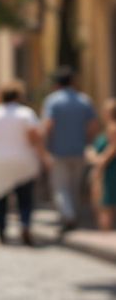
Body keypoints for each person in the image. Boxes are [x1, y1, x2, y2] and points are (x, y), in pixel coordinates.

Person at [0, 80, 47, 246]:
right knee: (25, 198)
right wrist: (43, 156)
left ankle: (1, 231)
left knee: (0, 198)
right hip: (23, 160)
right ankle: (25, 224)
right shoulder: (26, 113)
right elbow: (34, 138)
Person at [41, 65, 98, 232]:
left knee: (60, 187)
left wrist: (44, 149)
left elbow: (48, 125)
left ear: (57, 83)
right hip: (79, 149)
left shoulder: (52, 101)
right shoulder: (84, 100)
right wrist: (87, 142)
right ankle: (73, 215)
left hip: (58, 151)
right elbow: (93, 125)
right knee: (74, 185)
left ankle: (68, 216)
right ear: (72, 82)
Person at [86, 99, 116, 231]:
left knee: (105, 206)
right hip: (106, 168)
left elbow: (113, 148)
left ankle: (106, 234)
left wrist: (98, 162)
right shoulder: (108, 128)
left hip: (108, 170)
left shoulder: (112, 128)